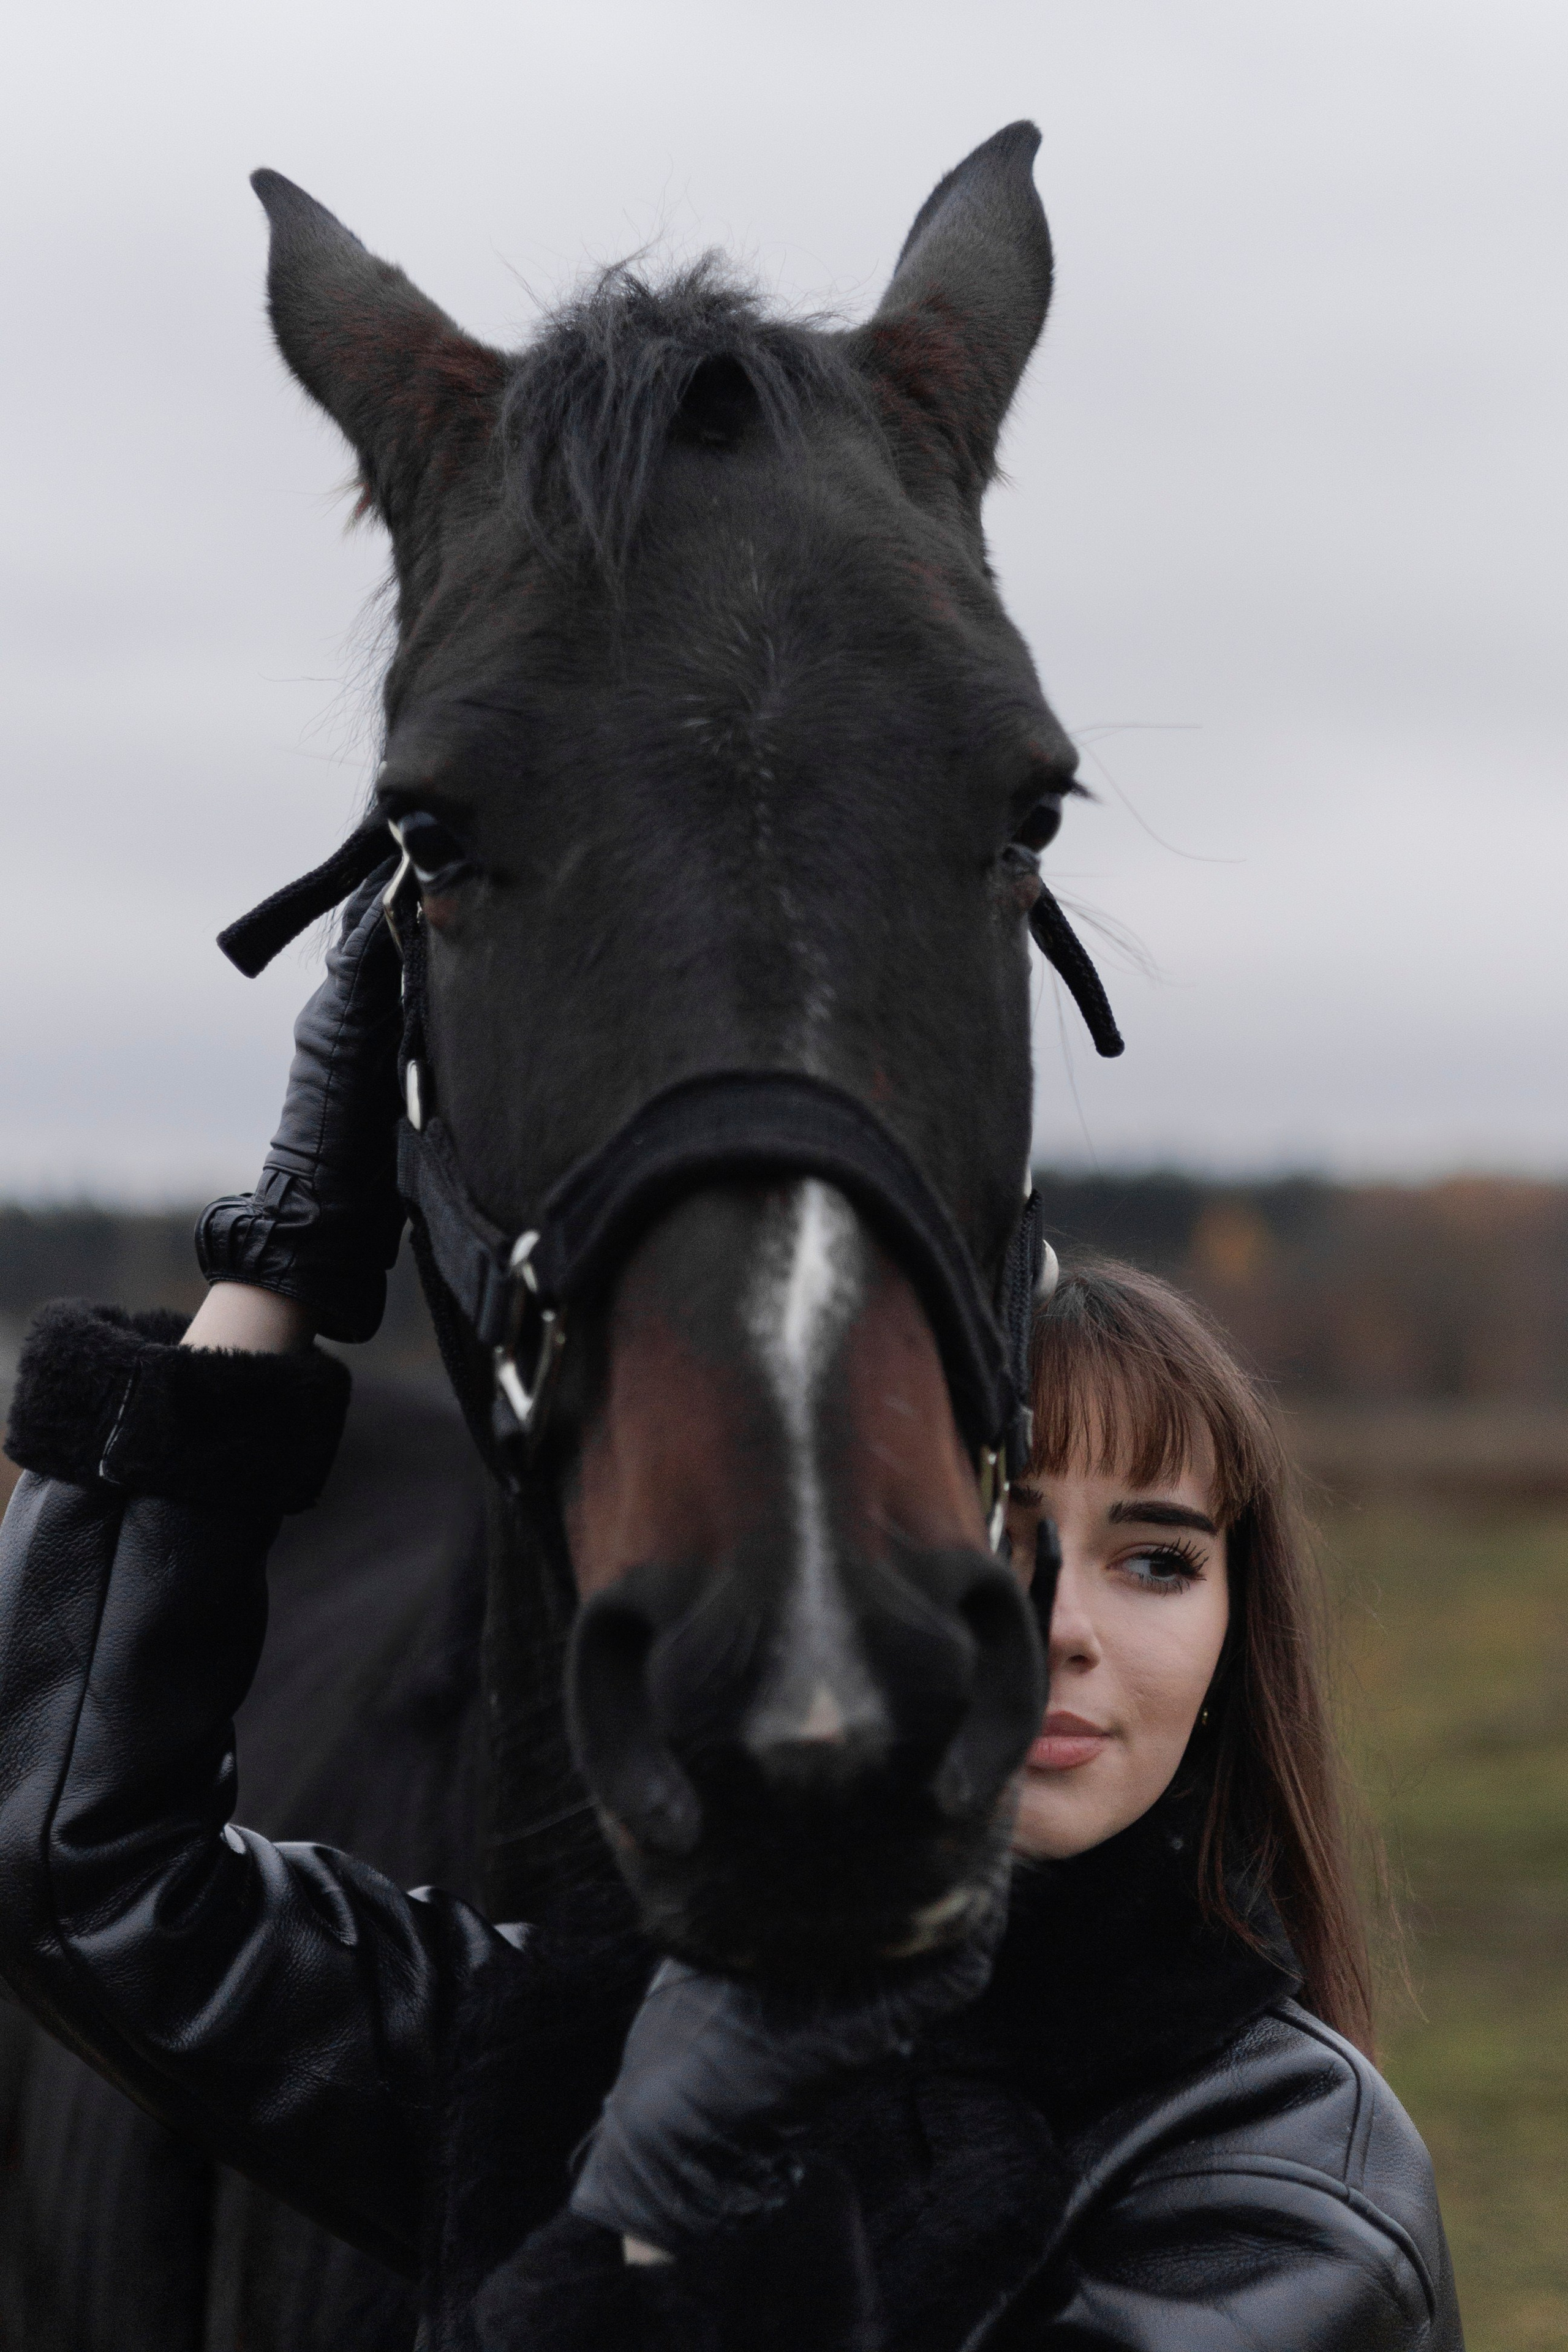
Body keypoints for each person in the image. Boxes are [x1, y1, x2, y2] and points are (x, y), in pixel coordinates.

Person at [0, 891, 1462, 2348]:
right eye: (995, 1529)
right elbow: (85, 1864)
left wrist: (660, 2193)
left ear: (1231, 1642)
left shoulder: (1289, 2195)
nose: (1060, 1625)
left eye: (1154, 1561)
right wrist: (282, 1255)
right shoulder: (585, 2040)